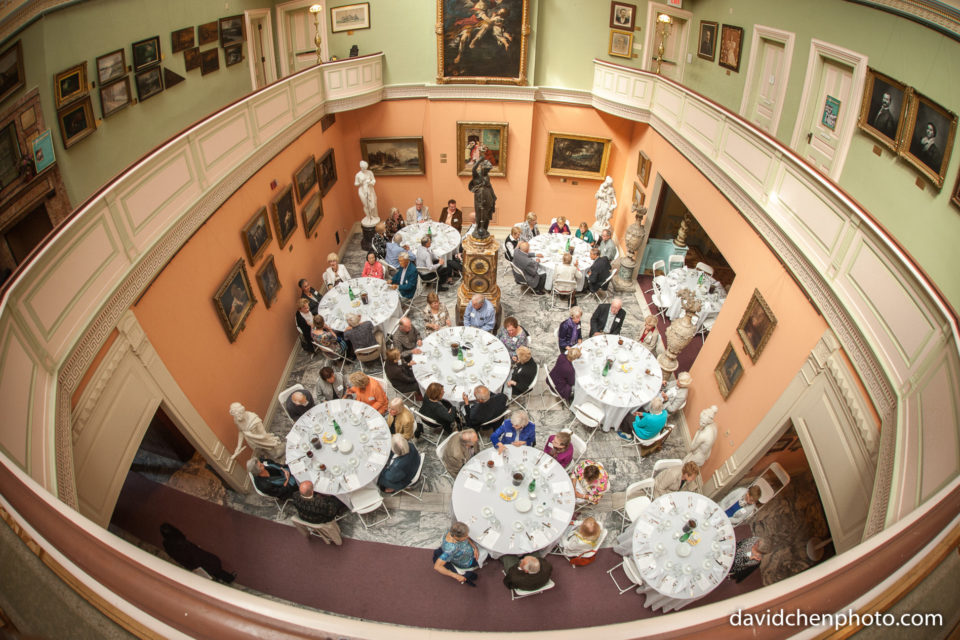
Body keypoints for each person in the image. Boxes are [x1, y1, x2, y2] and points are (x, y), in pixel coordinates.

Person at [160, 523, 235, 583]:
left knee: (212, 570)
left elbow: (176, 556)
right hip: (198, 559)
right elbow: (192, 552)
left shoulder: (167, 544)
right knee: (214, 567)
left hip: (190, 562)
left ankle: (226, 578)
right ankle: (228, 578)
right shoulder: (180, 541)